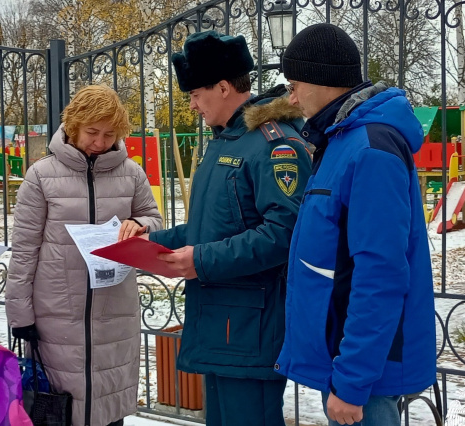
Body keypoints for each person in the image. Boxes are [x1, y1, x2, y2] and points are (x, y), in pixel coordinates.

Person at [142, 31, 312, 426]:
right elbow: (211, 229)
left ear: (222, 87)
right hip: (222, 327)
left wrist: (200, 260)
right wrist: (146, 244)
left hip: (250, 330)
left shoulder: (274, 143)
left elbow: (284, 233)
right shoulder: (227, 142)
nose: (192, 104)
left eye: (196, 94)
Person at [274, 23, 436, 426]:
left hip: (366, 376)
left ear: (322, 80)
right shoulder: (342, 140)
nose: (291, 98)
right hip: (346, 356)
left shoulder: (369, 149)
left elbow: (379, 273)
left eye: (295, 84)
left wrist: (352, 380)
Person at [5, 85, 163, 426]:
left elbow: (154, 218)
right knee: (63, 410)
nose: (100, 142)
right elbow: (24, 249)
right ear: (73, 125)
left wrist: (139, 223)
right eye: (92, 132)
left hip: (114, 310)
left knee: (108, 409)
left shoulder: (131, 173)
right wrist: (20, 315)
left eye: (109, 134)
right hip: (57, 316)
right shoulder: (42, 176)